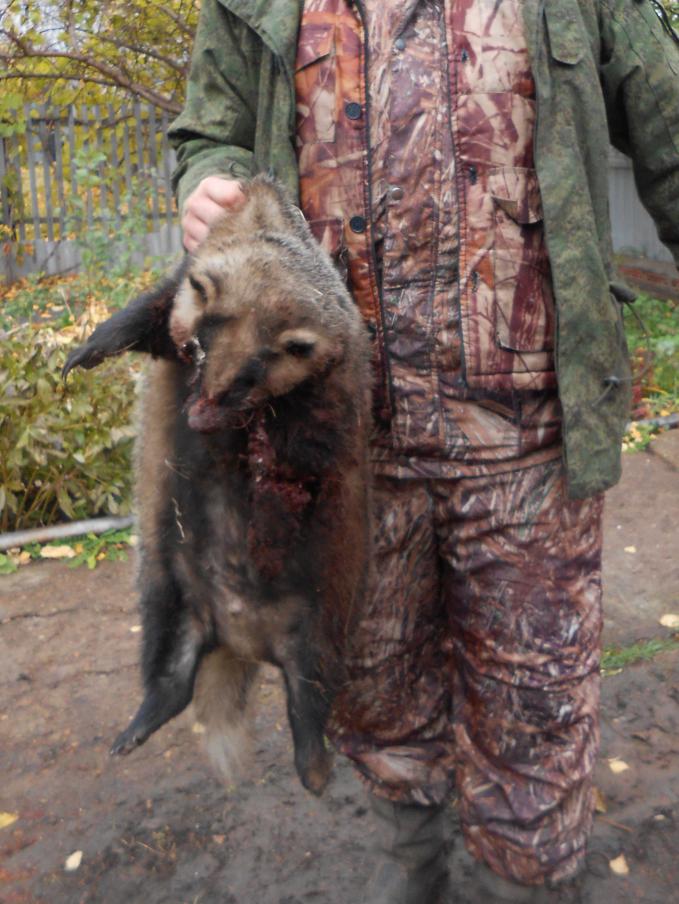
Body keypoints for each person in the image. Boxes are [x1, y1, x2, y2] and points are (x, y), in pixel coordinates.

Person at [168, 2, 679, 901]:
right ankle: (419, 872)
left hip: (528, 448)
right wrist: (206, 183)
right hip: (341, 452)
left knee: (534, 716)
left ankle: (522, 886)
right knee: (379, 709)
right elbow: (210, 133)